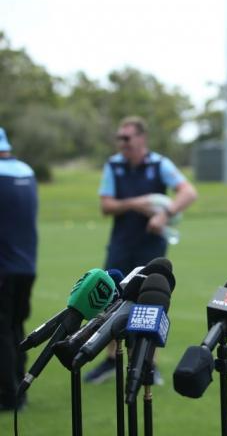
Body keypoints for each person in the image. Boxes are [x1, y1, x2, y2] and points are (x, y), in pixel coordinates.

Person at [84, 115, 197, 384]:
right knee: (112, 300)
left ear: (141, 138)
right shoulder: (114, 165)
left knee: (150, 304)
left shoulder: (159, 164)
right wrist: (139, 203)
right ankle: (112, 359)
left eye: (127, 137)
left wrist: (164, 213)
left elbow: (188, 192)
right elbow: (106, 206)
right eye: (119, 138)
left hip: (152, 247)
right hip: (121, 244)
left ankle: (148, 363)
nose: (121, 143)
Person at [0, 127, 38, 412]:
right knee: (15, 327)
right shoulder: (25, 171)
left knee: (3, 331)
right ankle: (20, 388)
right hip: (26, 265)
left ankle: (8, 396)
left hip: (3, 267)